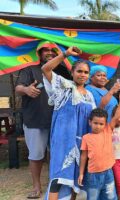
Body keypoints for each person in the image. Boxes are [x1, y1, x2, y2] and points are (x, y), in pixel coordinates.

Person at [15, 43, 70, 199]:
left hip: (58, 121)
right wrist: (26, 89)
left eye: (54, 50)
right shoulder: (30, 69)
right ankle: (37, 187)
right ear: (39, 53)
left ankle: (55, 185)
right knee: (36, 155)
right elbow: (18, 88)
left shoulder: (62, 71)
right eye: (46, 50)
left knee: (57, 154)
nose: (50, 53)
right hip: (35, 120)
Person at [42, 47, 96, 200]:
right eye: (79, 71)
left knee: (76, 177)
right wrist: (65, 54)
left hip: (81, 141)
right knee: (58, 176)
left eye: (86, 72)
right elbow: (45, 69)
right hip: (63, 140)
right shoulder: (64, 86)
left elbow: (93, 120)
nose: (82, 75)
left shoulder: (90, 96)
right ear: (72, 72)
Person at [78, 93, 120, 200]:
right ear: (90, 122)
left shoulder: (108, 130)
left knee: (110, 197)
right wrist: (81, 174)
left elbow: (116, 116)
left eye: (101, 124)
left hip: (108, 173)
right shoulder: (86, 138)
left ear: (105, 124)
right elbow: (83, 157)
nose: (98, 126)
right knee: (93, 198)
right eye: (95, 123)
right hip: (93, 175)